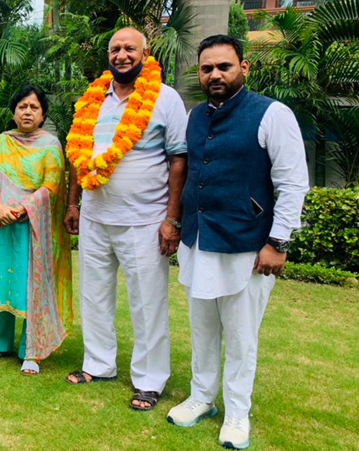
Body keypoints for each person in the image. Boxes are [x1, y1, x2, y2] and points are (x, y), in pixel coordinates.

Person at [166, 35, 308, 450]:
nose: (215, 74)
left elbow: (293, 183)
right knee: (202, 328)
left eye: (224, 66)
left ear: (243, 68)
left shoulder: (272, 114)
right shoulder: (195, 115)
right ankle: (201, 398)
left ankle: (237, 413)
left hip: (247, 245)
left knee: (242, 336)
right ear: (199, 72)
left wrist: (278, 242)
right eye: (207, 67)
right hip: (198, 240)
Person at [63, 27, 188, 411]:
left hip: (145, 220)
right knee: (94, 296)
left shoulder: (164, 98)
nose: (121, 55)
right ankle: (98, 364)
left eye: (129, 48)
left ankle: (150, 381)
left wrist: (172, 219)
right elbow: (76, 157)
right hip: (96, 217)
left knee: (147, 303)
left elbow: (178, 159)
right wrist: (73, 204)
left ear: (145, 52)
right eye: (115, 49)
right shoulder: (92, 99)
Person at [0, 84, 72, 375]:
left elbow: (53, 185)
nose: (27, 111)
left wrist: (22, 209)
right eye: (22, 106)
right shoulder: (0, 141)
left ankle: (31, 350)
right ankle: (2, 344)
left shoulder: (50, 145)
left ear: (43, 114)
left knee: (28, 286)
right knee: (1, 284)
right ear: (13, 112)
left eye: (34, 107)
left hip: (30, 228)